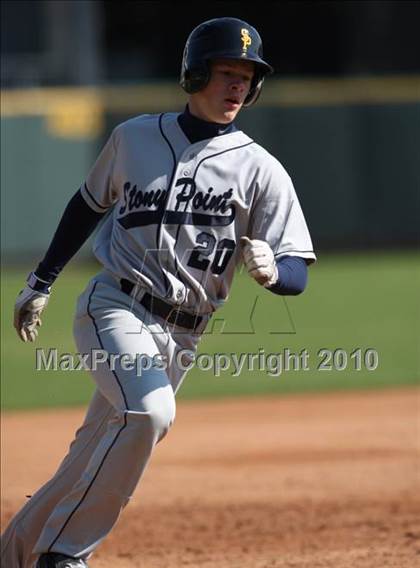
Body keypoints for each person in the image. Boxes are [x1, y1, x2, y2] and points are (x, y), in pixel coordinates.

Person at [1, 17, 316, 568]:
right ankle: (64, 553)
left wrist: (274, 272)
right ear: (194, 74)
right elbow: (86, 206)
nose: (237, 85)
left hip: (184, 335)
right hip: (115, 306)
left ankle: (14, 554)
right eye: (225, 72)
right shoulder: (135, 137)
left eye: (247, 76)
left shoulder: (263, 170)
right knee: (148, 414)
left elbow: (298, 272)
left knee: (93, 452)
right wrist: (41, 280)